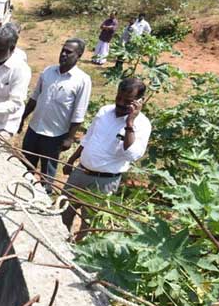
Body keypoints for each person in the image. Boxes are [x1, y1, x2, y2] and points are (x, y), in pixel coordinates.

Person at [61, 77, 151, 236]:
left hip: (104, 182)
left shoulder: (142, 125)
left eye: (127, 101)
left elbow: (131, 155)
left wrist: (130, 124)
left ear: (139, 102)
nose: (121, 103)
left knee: (90, 224)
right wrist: (72, 160)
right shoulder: (104, 111)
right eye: (119, 97)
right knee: (64, 211)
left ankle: (78, 253)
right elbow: (88, 138)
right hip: (80, 172)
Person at [20, 38, 92, 192]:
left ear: (78, 55)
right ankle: (22, 192)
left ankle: (43, 198)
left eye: (69, 52)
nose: (64, 54)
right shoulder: (48, 71)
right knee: (25, 166)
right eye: (63, 50)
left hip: (55, 135)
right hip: (34, 129)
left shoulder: (82, 80)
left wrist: (69, 138)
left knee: (47, 173)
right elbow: (34, 97)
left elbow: (79, 112)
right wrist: (22, 118)